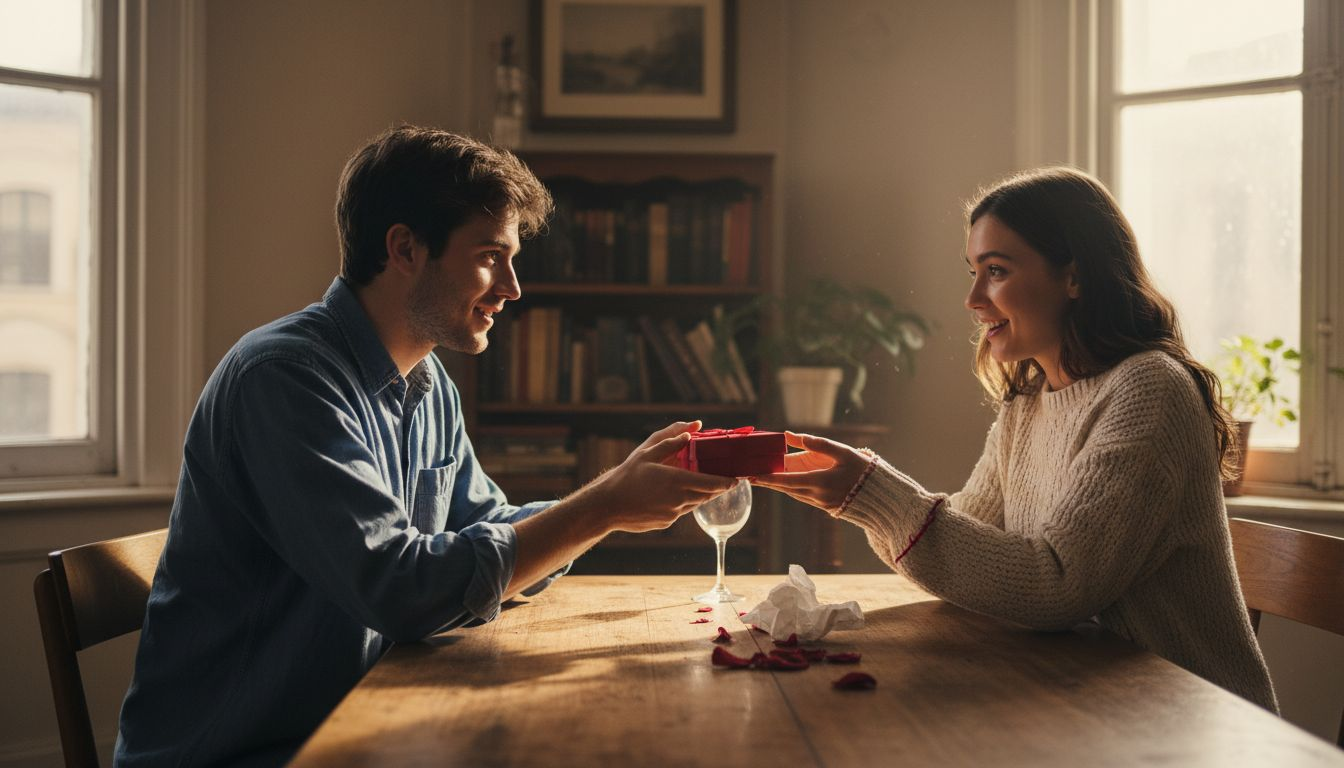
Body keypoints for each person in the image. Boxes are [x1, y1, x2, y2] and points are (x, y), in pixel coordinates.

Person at [114, 126, 736, 767]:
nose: (513, 287)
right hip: (249, 752)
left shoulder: (428, 381)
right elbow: (401, 590)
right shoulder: (282, 378)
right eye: (491, 256)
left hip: (367, 721)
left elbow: (486, 531)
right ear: (404, 248)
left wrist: (619, 491)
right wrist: (603, 506)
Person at [750, 167, 1278, 713]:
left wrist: (871, 493)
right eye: (974, 272)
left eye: (996, 271)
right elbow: (975, 549)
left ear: (1074, 276)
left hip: (1194, 720)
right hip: (1088, 703)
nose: (973, 299)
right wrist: (862, 496)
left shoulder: (1149, 389)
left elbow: (1058, 586)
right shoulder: (1028, 403)